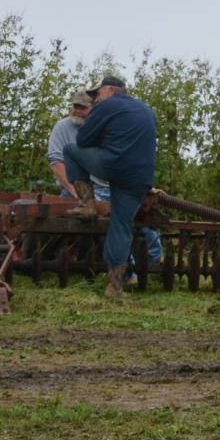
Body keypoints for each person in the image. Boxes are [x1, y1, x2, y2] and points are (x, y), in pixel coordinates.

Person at [61, 75, 160, 299]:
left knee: (69, 150)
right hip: (139, 178)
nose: (95, 98)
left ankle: (86, 205)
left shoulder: (107, 106)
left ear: (112, 90)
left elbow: (83, 140)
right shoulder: (143, 109)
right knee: (121, 226)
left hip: (113, 166)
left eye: (98, 93)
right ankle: (114, 287)